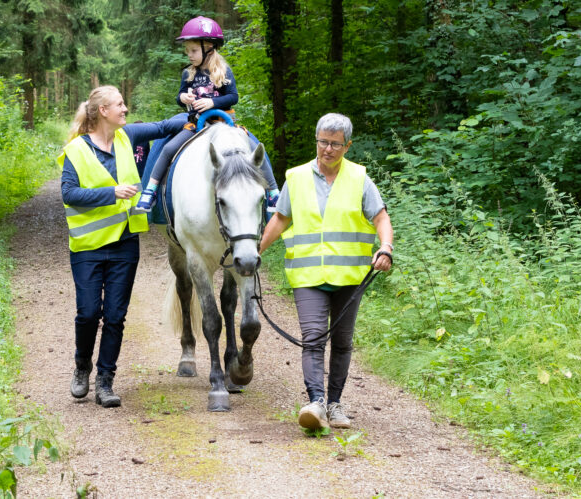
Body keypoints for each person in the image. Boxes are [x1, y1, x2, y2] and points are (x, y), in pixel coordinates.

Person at [257, 113, 393, 431]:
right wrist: (256, 251)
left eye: (334, 144)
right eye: (322, 142)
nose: (327, 149)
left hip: (350, 276)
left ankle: (335, 405)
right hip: (309, 275)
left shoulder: (360, 179)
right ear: (316, 140)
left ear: (347, 146)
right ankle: (316, 403)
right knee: (314, 339)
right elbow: (280, 219)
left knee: (342, 342)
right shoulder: (298, 177)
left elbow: (381, 218)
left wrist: (385, 247)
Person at [59, 86, 186, 408]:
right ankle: (81, 367)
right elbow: (69, 194)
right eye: (119, 104)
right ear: (102, 110)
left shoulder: (127, 137)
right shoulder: (76, 150)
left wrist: (202, 110)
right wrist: (112, 193)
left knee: (115, 316)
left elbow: (163, 127)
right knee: (89, 314)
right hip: (88, 247)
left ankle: (105, 381)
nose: (125, 109)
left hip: (125, 244)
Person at [132, 16, 278, 214]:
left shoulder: (223, 71)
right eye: (187, 51)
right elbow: (179, 96)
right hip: (196, 124)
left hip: (223, 124)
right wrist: (184, 97)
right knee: (169, 149)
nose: (189, 55)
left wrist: (212, 102)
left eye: (193, 50)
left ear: (209, 47)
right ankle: (151, 190)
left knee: (254, 147)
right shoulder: (188, 73)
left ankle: (273, 192)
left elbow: (233, 97)